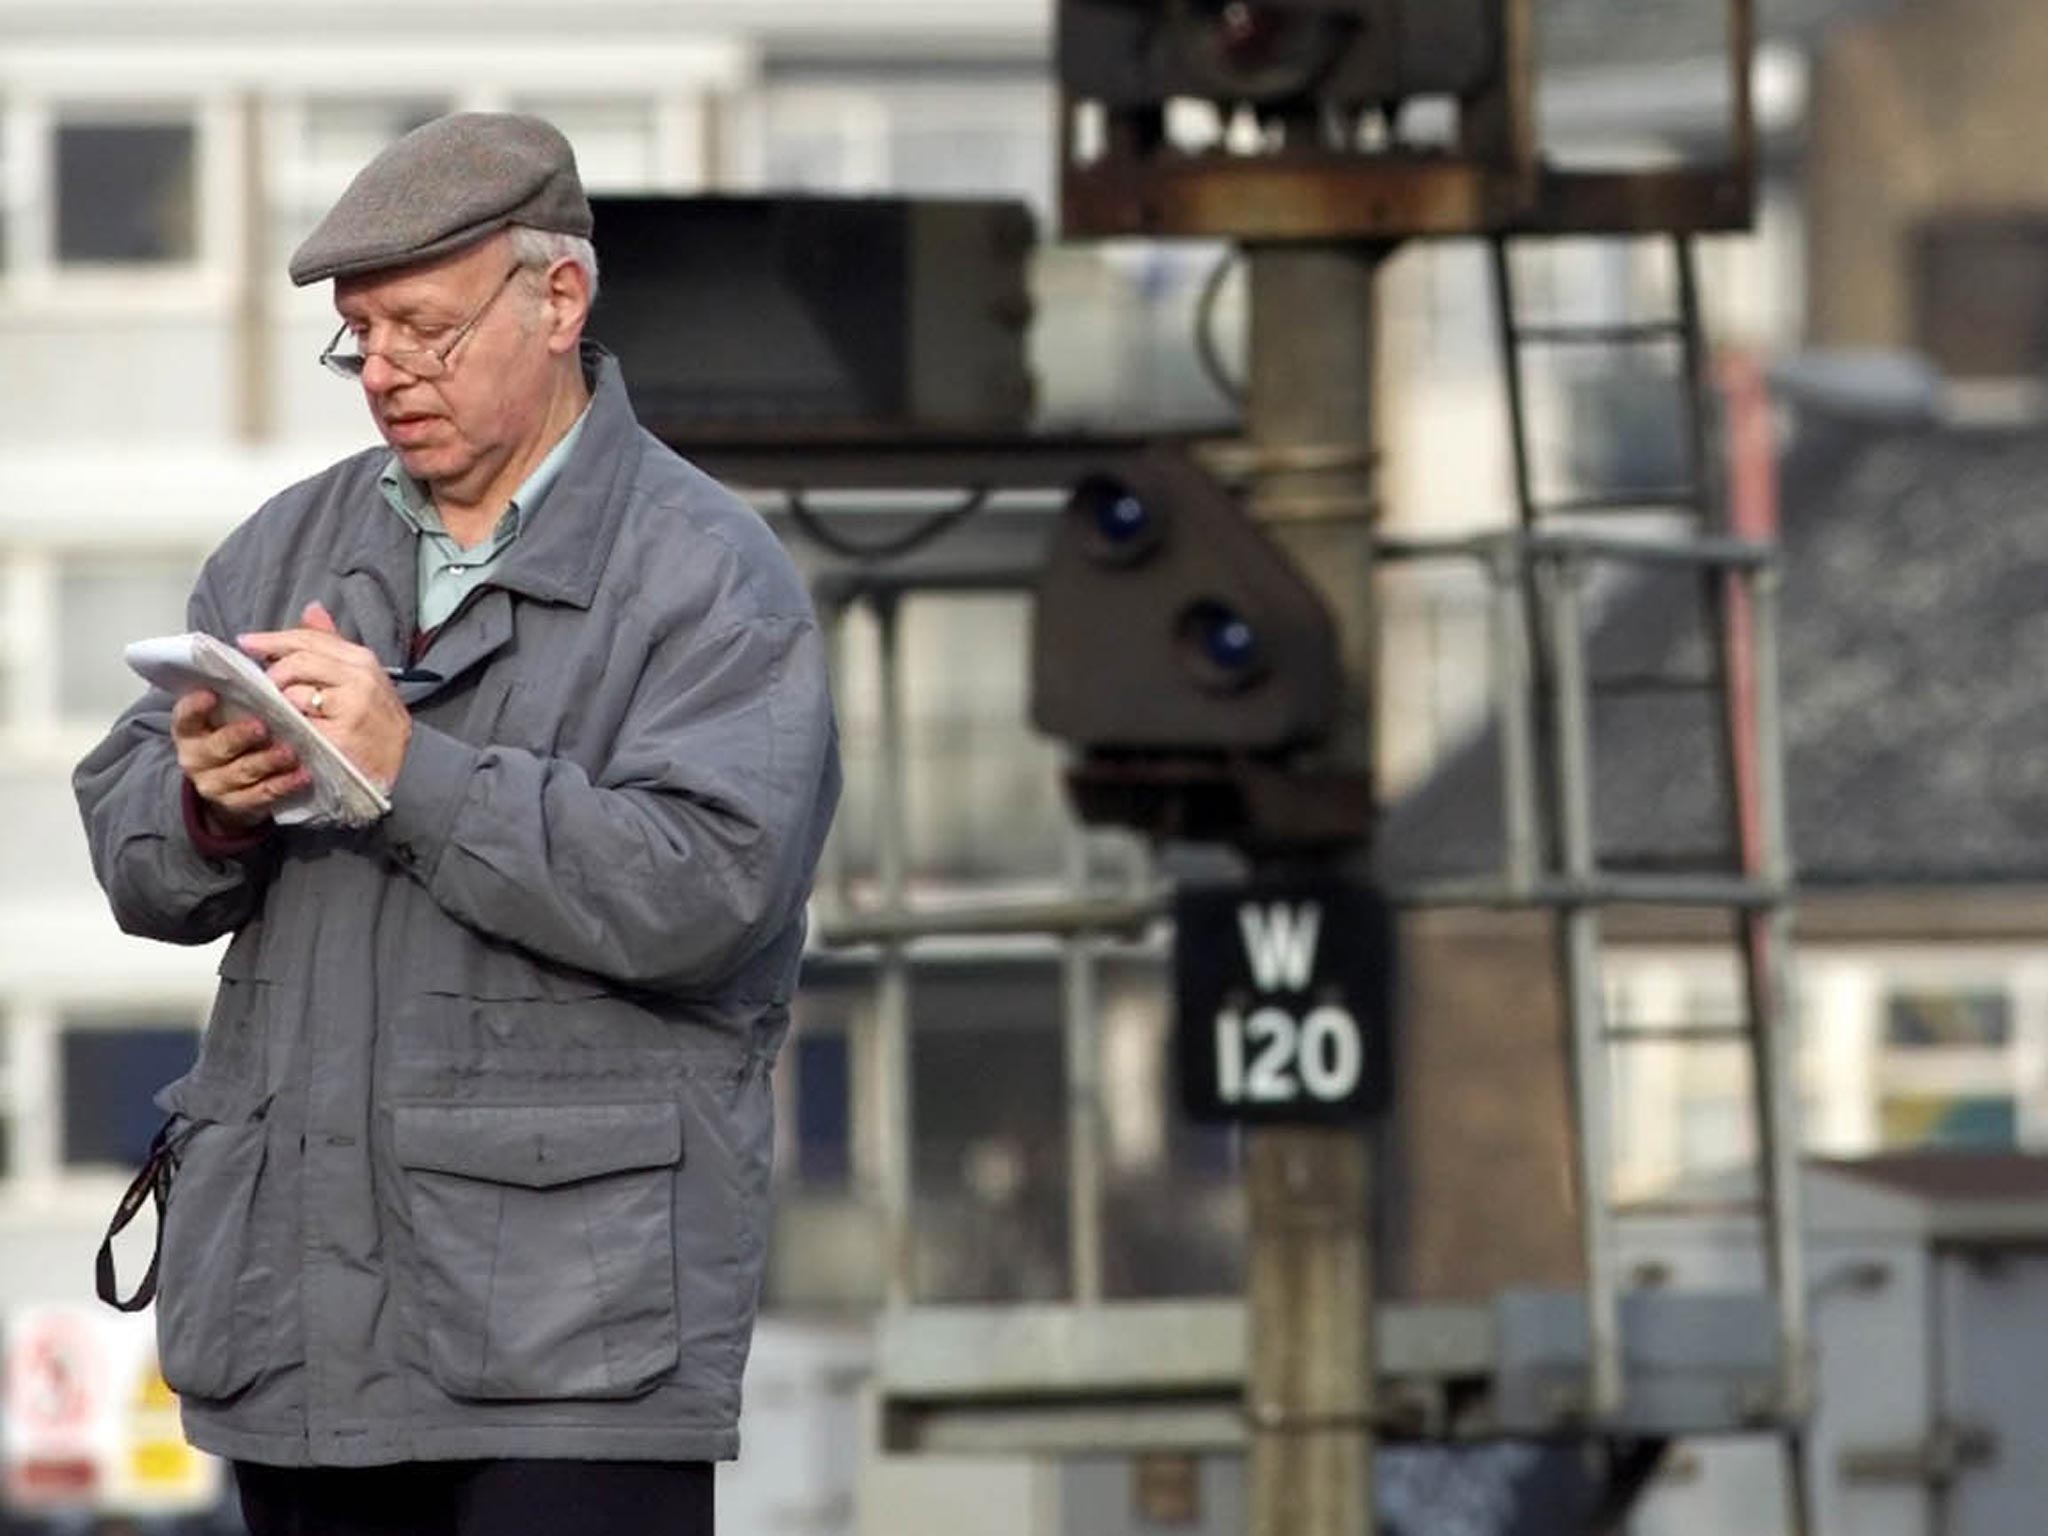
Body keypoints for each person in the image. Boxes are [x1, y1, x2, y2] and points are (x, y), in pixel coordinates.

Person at [73, 112, 841, 1536]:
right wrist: (206, 805)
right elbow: (129, 846)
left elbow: (709, 889)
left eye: (422, 330)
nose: (385, 375)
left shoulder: (706, 576)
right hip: (300, 1339)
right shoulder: (280, 550)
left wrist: (410, 770)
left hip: (573, 1358)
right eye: (360, 337)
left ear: (560, 300)